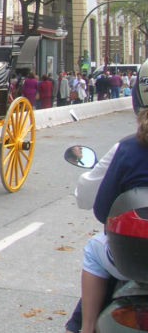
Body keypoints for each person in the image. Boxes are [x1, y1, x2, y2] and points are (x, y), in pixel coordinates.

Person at [64, 86, 148, 333]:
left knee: (93, 250)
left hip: (131, 261)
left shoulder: (128, 149)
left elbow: (102, 211)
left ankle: (86, 328)